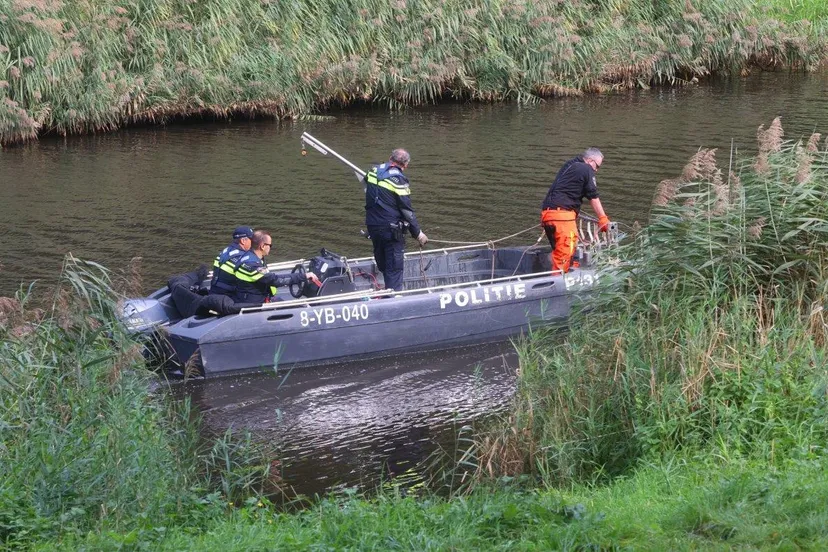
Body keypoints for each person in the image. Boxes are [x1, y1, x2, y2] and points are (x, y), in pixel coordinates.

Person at [364, 148, 428, 292]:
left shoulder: (373, 171)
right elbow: (407, 211)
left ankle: (387, 292)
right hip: (391, 231)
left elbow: (368, 184)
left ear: (389, 158)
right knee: (394, 266)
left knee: (383, 264)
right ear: (405, 165)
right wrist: (418, 233)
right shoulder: (399, 179)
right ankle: (393, 299)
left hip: (373, 227)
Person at [540, 148, 611, 273]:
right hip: (562, 217)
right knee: (565, 253)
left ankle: (562, 273)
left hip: (548, 215)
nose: (596, 170)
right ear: (590, 161)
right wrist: (603, 218)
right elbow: (593, 196)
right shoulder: (586, 169)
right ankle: (558, 283)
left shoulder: (570, 165)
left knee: (560, 252)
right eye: (597, 166)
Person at [231, 230, 321, 304]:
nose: (270, 248)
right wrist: (303, 276)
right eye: (270, 245)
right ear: (262, 246)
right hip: (254, 303)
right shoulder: (253, 265)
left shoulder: (248, 256)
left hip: (249, 296)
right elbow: (275, 280)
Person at [209, 226, 254, 296]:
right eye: (251, 239)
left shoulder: (226, 251)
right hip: (227, 296)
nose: (253, 242)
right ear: (243, 241)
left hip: (214, 291)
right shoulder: (242, 257)